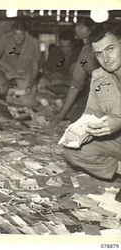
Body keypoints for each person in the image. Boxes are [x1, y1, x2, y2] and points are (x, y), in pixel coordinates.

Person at [63, 24, 121, 201]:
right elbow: (92, 112)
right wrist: (81, 131)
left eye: (110, 49)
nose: (106, 58)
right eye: (99, 53)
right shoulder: (99, 77)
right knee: (72, 150)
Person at [51, 19, 99, 124]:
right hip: (95, 91)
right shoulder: (85, 51)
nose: (77, 27)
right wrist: (60, 115)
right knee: (76, 117)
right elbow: (76, 85)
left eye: (81, 24)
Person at [0, 20, 40, 107]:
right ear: (12, 32)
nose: (18, 38)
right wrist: (4, 71)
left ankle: (10, 99)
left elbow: (35, 67)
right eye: (15, 34)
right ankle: (4, 95)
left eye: (21, 34)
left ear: (26, 33)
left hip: (24, 74)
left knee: (30, 103)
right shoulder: (5, 38)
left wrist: (29, 86)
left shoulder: (34, 43)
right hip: (7, 71)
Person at [40, 30, 80, 96]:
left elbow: (80, 81)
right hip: (55, 87)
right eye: (62, 46)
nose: (65, 49)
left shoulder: (79, 54)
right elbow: (46, 69)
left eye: (68, 47)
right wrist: (49, 78)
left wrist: (62, 81)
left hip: (72, 88)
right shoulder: (54, 52)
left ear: (73, 44)